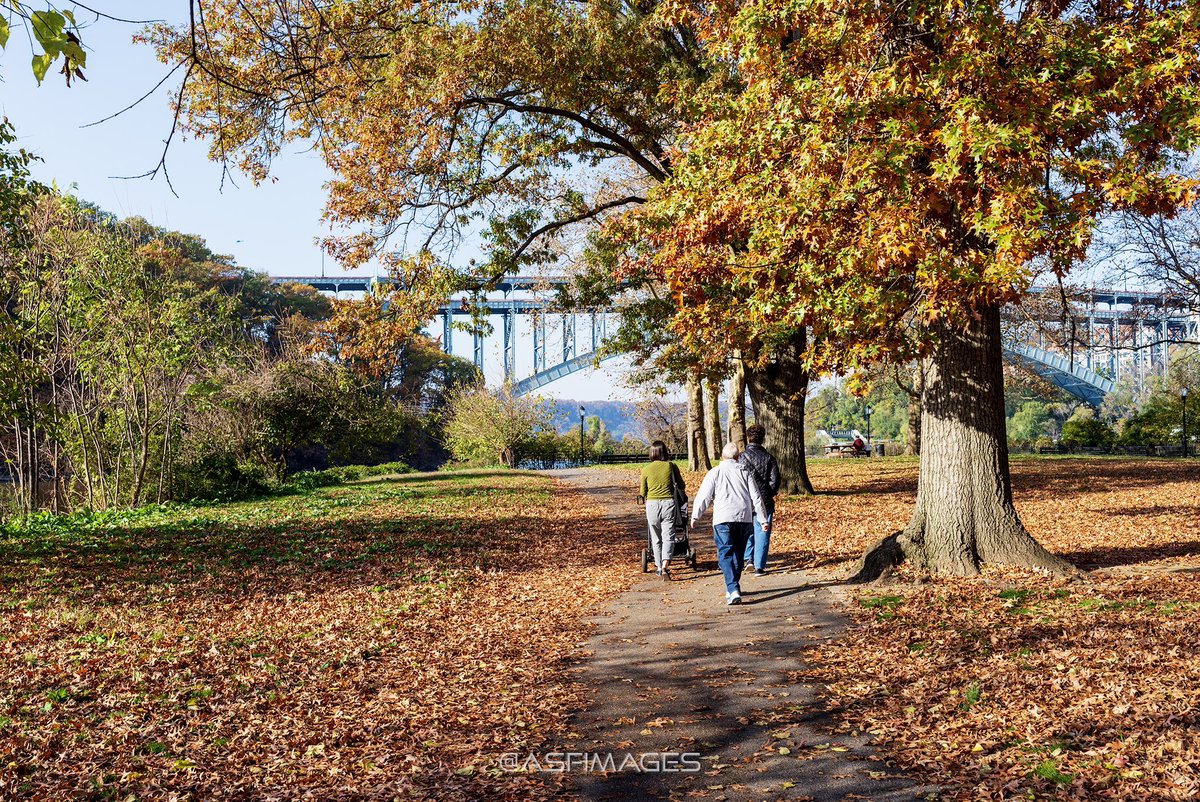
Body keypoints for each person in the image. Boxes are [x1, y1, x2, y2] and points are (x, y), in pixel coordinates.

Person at [690, 442, 770, 605]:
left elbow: (704, 496)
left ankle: (732, 588)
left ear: (722, 457)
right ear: (738, 457)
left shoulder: (715, 472)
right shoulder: (745, 472)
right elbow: (756, 497)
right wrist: (762, 519)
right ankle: (733, 586)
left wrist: (695, 516)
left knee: (725, 553)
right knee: (739, 553)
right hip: (743, 518)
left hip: (723, 518)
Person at [639, 440, 686, 580]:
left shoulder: (646, 469)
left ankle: (659, 567)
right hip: (668, 504)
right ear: (664, 452)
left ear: (652, 453)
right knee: (668, 536)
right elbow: (682, 485)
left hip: (652, 504)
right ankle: (666, 565)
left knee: (655, 537)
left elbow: (643, 491)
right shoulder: (671, 466)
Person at [740, 424, 781, 576]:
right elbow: (775, 481)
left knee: (747, 530)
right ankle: (759, 566)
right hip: (765, 500)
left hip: (746, 500)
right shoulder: (769, 458)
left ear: (748, 438)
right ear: (762, 439)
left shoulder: (742, 457)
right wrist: (767, 493)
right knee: (763, 531)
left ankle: (748, 559)